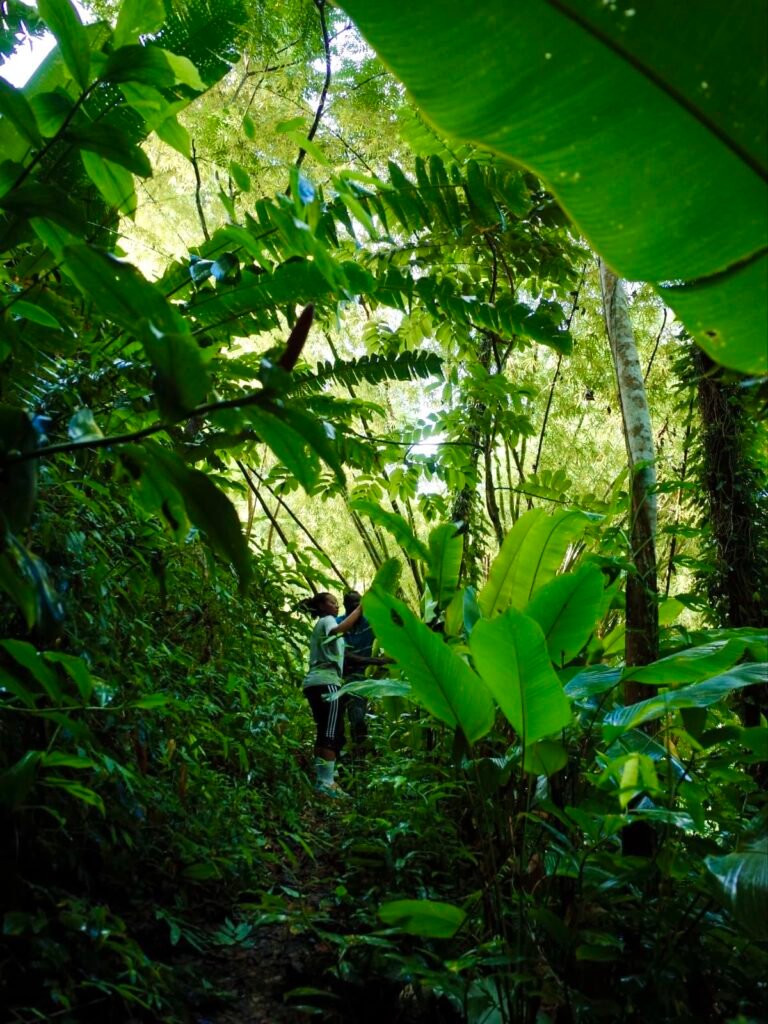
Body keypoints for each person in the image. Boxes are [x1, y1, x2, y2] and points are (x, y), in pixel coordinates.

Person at [300, 591, 362, 798]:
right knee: (331, 733)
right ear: (322, 607)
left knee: (323, 730)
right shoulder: (327, 621)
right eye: (332, 603)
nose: (337, 607)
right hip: (327, 683)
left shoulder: (319, 626)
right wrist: (361, 609)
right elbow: (338, 629)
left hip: (313, 683)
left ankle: (322, 780)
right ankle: (327, 783)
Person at [336, 591, 386, 751]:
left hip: (359, 679)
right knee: (336, 723)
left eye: (359, 604)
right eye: (353, 605)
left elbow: (391, 630)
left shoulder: (369, 623)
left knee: (358, 718)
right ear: (345, 606)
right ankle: (343, 758)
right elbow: (344, 656)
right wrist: (375, 661)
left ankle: (361, 755)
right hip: (337, 678)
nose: (357, 607)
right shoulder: (338, 623)